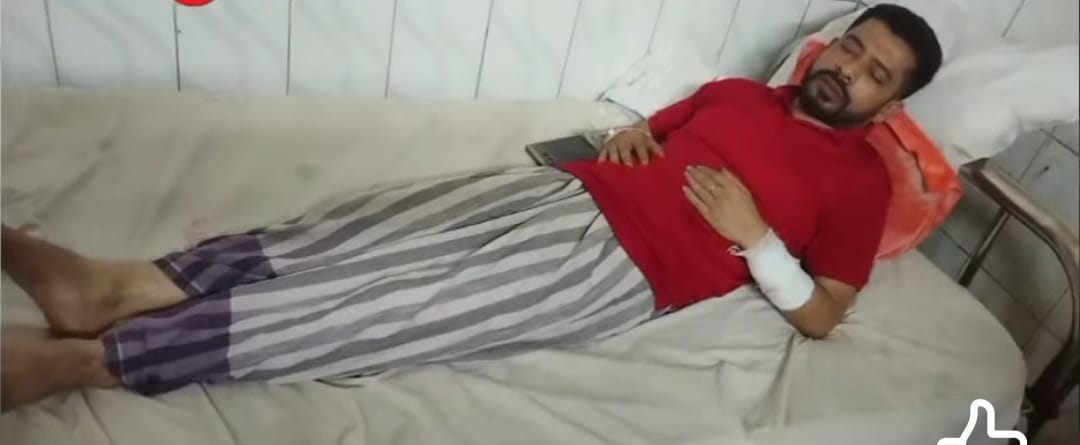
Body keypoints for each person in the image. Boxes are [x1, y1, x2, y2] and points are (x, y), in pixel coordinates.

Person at [0, 4, 941, 411]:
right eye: (850, 49)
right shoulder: (736, 94)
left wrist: (758, 239)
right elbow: (649, 131)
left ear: (888, 106)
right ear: (828, 44)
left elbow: (825, 313)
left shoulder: (859, 185)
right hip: (564, 190)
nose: (848, 71)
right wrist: (632, 138)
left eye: (874, 75)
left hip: (618, 267)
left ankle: (99, 358)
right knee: (352, 230)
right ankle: (123, 286)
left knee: (387, 308)